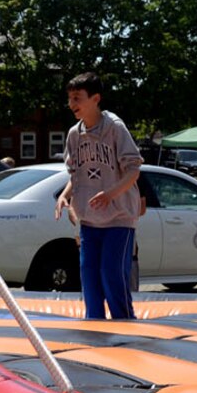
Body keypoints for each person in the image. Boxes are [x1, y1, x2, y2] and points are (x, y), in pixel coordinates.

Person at [54, 71, 142, 320]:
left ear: (95, 99)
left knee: (111, 274)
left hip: (118, 218)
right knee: (90, 279)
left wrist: (110, 194)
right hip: (90, 220)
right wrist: (64, 194)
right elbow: (76, 175)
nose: (72, 104)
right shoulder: (74, 134)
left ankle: (125, 325)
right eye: (70, 98)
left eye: (77, 98)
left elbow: (134, 170)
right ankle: (94, 329)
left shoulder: (114, 128)